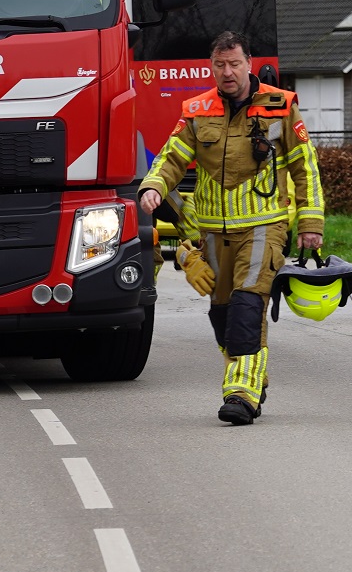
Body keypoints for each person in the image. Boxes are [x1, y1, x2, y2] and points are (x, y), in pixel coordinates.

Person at [138, 31, 325, 426]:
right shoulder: (197, 110)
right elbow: (172, 157)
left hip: (264, 226)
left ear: (249, 63)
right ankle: (253, 372)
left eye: (235, 64)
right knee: (222, 315)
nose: (227, 72)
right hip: (212, 233)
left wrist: (310, 221)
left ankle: (241, 393)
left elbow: (304, 167)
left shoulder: (280, 107)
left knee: (246, 305)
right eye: (220, 65)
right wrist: (154, 187)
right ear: (212, 66)